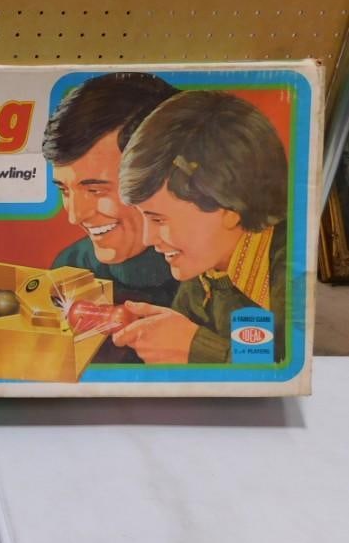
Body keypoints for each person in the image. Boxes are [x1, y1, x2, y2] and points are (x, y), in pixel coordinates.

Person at [113, 91, 288, 363]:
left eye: (159, 219)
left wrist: (196, 349)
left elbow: (287, 373)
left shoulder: (288, 273)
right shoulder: (203, 273)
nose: (147, 238)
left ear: (229, 209)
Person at [42, 73, 180, 363]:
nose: (75, 216)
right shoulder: (71, 267)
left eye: (95, 190)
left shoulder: (217, 268)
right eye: (65, 190)